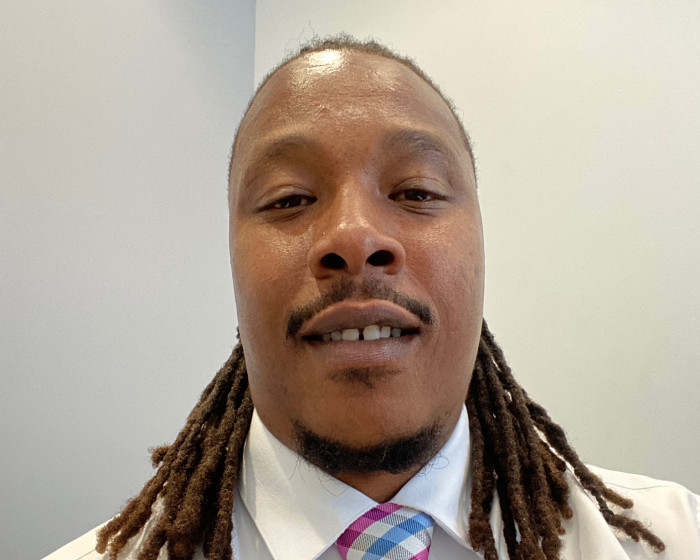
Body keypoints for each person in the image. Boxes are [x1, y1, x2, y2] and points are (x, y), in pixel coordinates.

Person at [45, 36, 699, 560]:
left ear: (481, 241)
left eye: (416, 191)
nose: (355, 237)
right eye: (290, 199)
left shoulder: (674, 540)